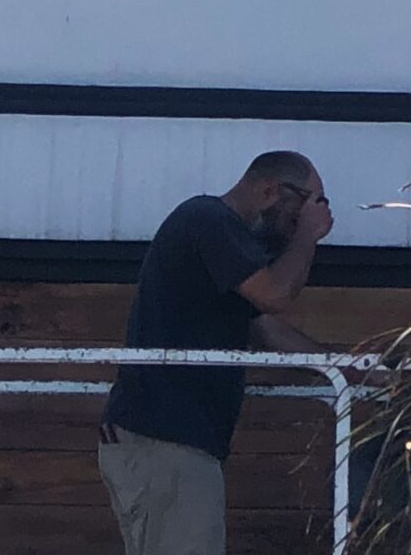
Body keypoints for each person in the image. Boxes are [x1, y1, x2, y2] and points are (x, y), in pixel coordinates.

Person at [99, 151, 335, 554]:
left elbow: (265, 326)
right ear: (268, 190)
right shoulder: (209, 220)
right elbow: (275, 295)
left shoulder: (222, 244)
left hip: (170, 444)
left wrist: (350, 369)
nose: (303, 219)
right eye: (303, 207)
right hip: (166, 441)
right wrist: (306, 238)